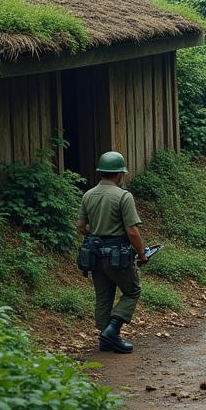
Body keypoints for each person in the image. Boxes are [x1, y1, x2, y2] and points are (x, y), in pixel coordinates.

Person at [76, 151, 149, 354]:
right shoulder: (123, 196)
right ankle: (112, 331)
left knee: (103, 296)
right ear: (119, 174)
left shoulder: (88, 195)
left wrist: (98, 235)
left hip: (94, 256)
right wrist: (142, 254)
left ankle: (105, 339)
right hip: (118, 256)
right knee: (132, 291)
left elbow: (81, 226)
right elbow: (132, 231)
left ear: (101, 172)